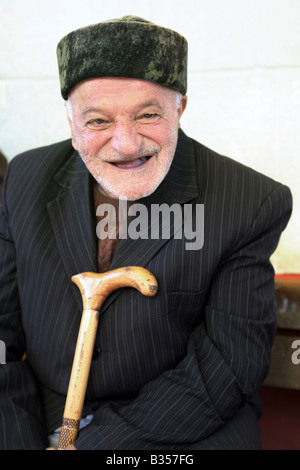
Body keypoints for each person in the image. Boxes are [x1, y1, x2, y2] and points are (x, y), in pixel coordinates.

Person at [0, 16, 292, 450]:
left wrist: (95, 446)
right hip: (46, 410)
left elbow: (228, 366)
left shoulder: (250, 201)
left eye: (148, 114)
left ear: (180, 108)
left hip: (184, 425)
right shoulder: (25, 177)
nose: (126, 143)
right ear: (70, 123)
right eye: (98, 120)